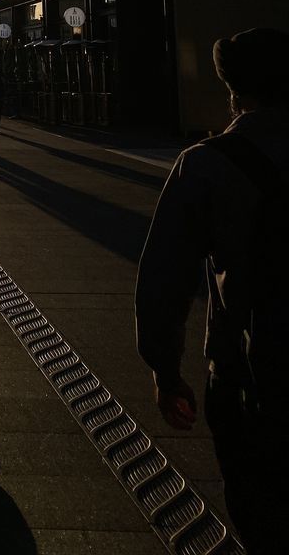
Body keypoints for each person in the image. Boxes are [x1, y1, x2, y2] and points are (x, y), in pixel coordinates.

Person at [135, 28, 289, 554]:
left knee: (259, 503)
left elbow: (165, 275)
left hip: (251, 369)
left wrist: (165, 368)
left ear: (232, 90)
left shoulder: (206, 165)